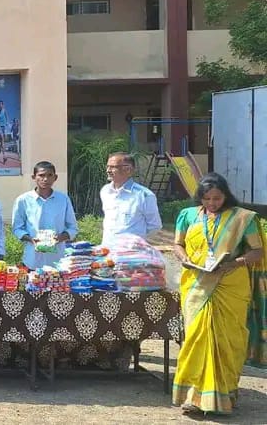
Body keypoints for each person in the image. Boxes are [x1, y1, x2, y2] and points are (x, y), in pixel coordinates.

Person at [171, 173, 263, 416]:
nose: (212, 203)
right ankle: (193, 397)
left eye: (217, 198)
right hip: (197, 284)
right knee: (196, 338)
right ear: (199, 197)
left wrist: (234, 263)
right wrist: (185, 258)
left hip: (230, 285)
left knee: (227, 341)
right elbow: (177, 244)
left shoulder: (242, 218)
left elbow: (257, 251)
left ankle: (224, 396)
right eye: (207, 199)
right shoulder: (188, 215)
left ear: (226, 196)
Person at [12, 162, 78, 270]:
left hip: (58, 262)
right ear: (34, 177)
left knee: (57, 281)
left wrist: (59, 238)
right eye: (41, 175)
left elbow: (73, 228)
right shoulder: (23, 200)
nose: (45, 179)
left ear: (55, 178)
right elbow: (17, 228)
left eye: (49, 175)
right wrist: (31, 240)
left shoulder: (63, 199)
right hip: (32, 260)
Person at [100, 152, 161, 245]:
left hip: (132, 251)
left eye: (113, 167)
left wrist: (136, 242)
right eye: (107, 166)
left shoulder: (144, 195)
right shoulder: (105, 191)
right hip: (108, 249)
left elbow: (155, 226)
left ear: (128, 169)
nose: (108, 170)